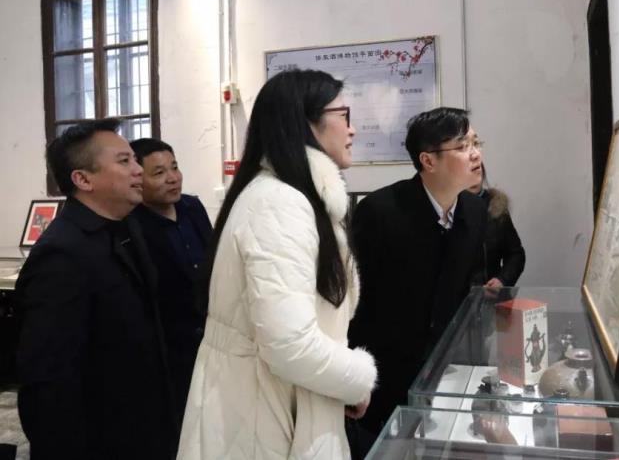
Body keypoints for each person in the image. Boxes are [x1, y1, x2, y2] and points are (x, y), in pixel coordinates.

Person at [177, 70, 377, 460]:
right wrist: (356, 379)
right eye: (344, 115)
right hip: (262, 414)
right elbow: (290, 346)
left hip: (276, 400)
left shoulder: (291, 198)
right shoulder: (279, 203)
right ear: (306, 123)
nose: (352, 130)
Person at [15, 119, 176, 460]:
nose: (138, 170)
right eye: (124, 161)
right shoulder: (61, 255)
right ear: (83, 179)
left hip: (145, 428)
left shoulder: (128, 226)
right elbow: (48, 383)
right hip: (101, 440)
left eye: (134, 160)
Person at [348, 107, 488, 451]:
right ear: (428, 160)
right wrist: (352, 377)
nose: (475, 154)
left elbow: (468, 288)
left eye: (476, 143)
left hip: (444, 369)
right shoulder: (379, 212)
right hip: (381, 371)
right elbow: (353, 302)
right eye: (463, 146)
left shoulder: (474, 211)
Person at [130, 138, 213, 428]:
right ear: (138, 179)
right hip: (168, 346)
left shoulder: (193, 207)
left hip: (209, 336)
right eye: (159, 172)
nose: (172, 178)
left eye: (174, 168)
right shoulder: (132, 225)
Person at [468, 163, 526, 288]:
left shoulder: (496, 208)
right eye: (468, 171)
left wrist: (502, 280)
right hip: (457, 297)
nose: (473, 176)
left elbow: (516, 254)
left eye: (476, 169)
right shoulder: (447, 209)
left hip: (491, 294)